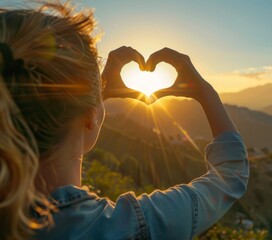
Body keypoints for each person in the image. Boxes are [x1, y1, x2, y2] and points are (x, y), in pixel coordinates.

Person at [0, 2, 249, 240]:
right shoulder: (130, 228)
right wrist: (206, 93)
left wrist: (96, 96)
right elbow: (231, 175)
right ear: (90, 116)